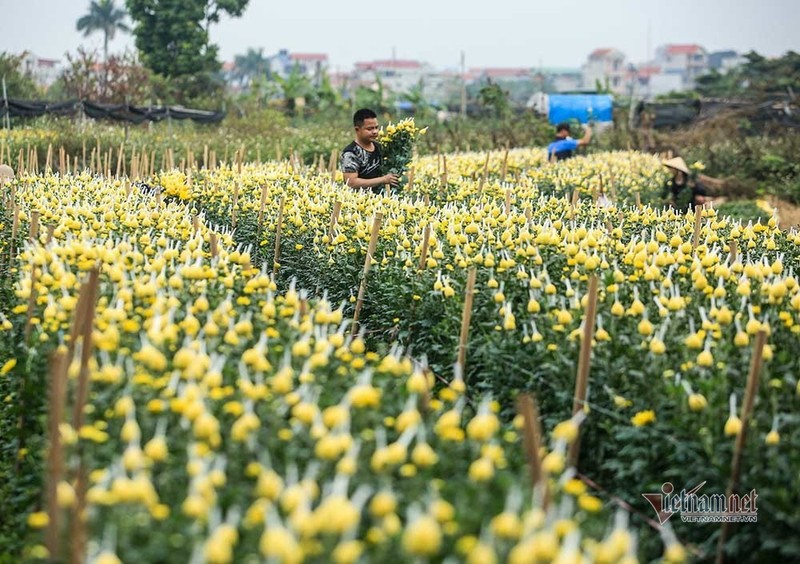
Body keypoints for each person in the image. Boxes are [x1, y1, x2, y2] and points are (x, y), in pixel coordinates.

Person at [340, 108, 399, 193]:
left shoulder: (379, 147)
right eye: (370, 129)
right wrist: (383, 180)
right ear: (357, 129)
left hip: (381, 200)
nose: (375, 131)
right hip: (359, 202)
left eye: (376, 127)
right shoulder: (351, 153)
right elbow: (351, 183)